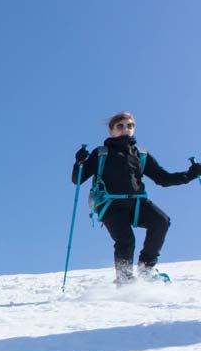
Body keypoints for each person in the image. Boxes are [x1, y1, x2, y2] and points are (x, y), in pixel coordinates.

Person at [73, 111, 201, 284]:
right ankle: (124, 280)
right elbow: (78, 179)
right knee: (126, 240)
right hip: (111, 205)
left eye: (130, 126)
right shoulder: (101, 153)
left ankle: (145, 269)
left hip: (138, 203)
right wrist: (79, 162)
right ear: (111, 130)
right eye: (120, 126)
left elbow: (163, 178)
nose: (126, 129)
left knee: (161, 221)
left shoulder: (141, 154)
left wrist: (190, 175)